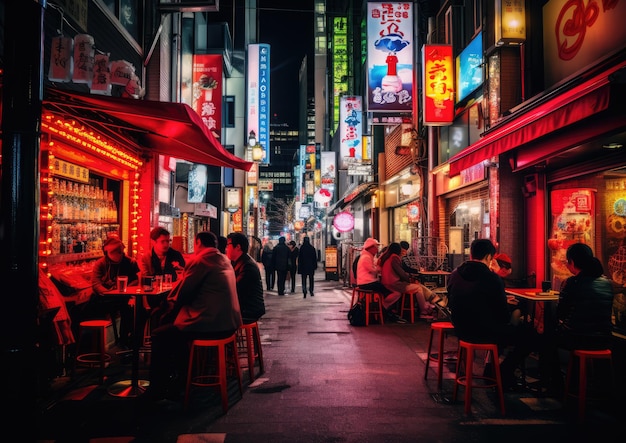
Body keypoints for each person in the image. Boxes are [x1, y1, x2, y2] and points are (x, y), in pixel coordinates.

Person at [147, 231, 242, 400]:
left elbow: (184, 293)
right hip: (229, 322)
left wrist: (170, 303)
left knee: (160, 334)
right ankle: (182, 377)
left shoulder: (201, 261)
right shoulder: (223, 259)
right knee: (173, 329)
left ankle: (161, 388)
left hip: (210, 324)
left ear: (198, 243)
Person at [447, 238, 538, 389]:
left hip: (461, 330)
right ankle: (503, 372)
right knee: (530, 335)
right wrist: (505, 303)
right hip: (485, 333)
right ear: (489, 257)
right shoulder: (492, 278)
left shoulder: (455, 274)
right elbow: (503, 317)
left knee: (503, 329)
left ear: (471, 254)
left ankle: (491, 370)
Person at [540, 243, 614, 395]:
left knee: (546, 339)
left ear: (572, 262)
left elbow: (560, 314)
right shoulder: (607, 283)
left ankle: (557, 386)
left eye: (568, 262)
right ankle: (580, 386)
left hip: (577, 338)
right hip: (604, 340)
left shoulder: (572, 282)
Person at [379, 242, 436, 320]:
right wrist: (409, 279)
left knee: (415, 287)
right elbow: (401, 273)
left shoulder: (387, 257)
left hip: (387, 283)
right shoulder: (394, 258)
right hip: (394, 284)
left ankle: (427, 306)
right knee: (418, 287)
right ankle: (424, 311)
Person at [355, 237, 403, 323]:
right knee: (390, 292)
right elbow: (372, 270)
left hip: (367, 282)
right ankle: (383, 308)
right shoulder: (366, 257)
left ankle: (382, 308)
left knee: (386, 291)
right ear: (371, 248)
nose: (377, 249)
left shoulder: (368, 256)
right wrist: (379, 268)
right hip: (368, 283)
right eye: (375, 247)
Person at [226, 232, 266, 323]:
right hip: (246, 307)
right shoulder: (239, 262)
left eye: (228, 245)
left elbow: (236, 289)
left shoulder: (247, 266)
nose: (226, 248)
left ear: (238, 247)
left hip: (249, 309)